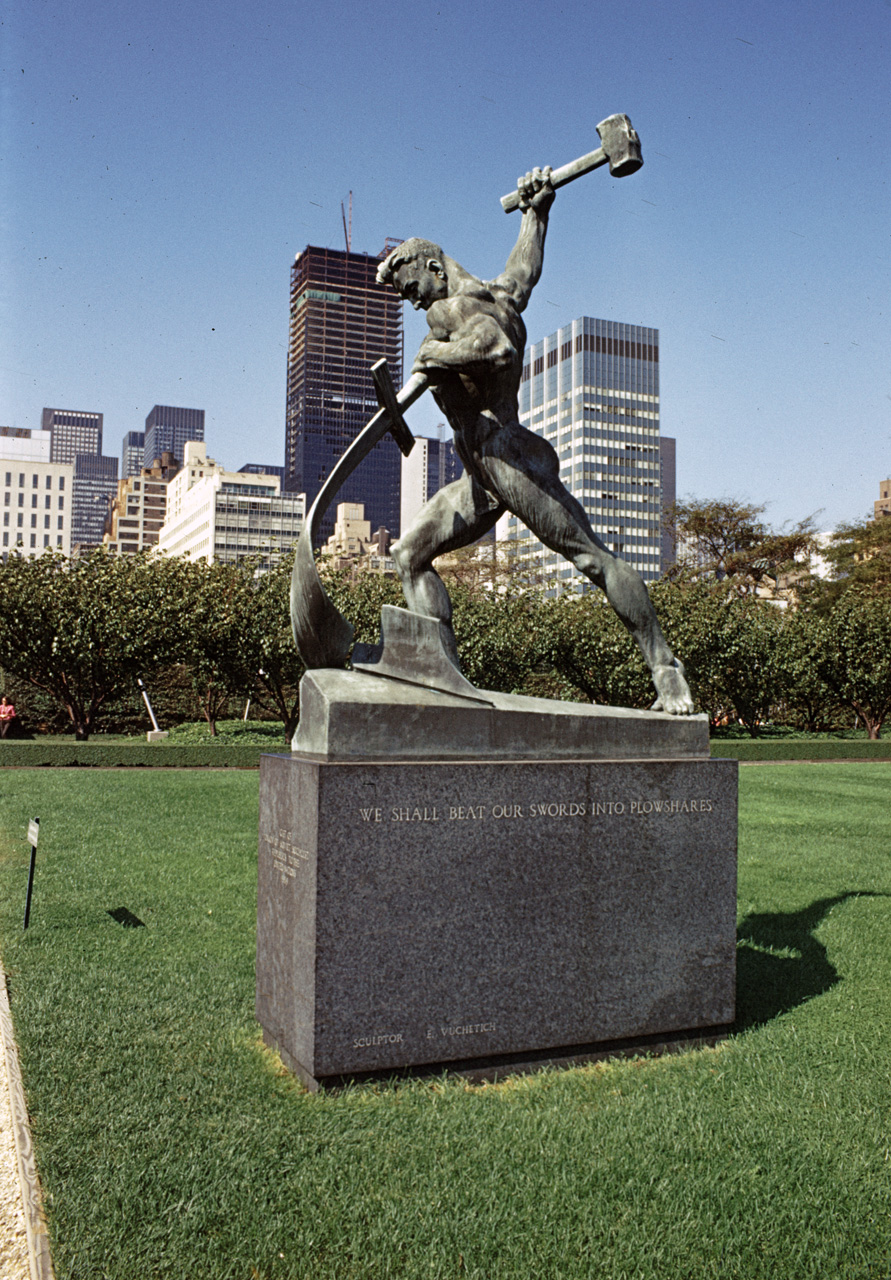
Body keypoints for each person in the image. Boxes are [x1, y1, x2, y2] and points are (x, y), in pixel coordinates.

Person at [376, 168, 694, 714]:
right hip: (479, 474)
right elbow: (522, 275)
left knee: (593, 559)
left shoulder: (454, 314)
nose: (410, 301)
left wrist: (436, 357)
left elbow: (495, 349)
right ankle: (441, 676)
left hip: (510, 459)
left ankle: (666, 671)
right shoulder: (495, 295)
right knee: (409, 554)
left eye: (411, 287)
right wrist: (536, 212)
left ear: (433, 267)